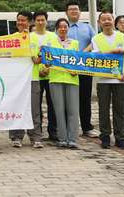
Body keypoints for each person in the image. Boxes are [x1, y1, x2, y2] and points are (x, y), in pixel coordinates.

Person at [88, 11, 124, 150]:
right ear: (99, 22)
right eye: (104, 19)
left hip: (120, 80)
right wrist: (112, 52)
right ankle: (105, 136)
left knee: (120, 109)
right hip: (103, 80)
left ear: (113, 21)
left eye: (109, 19)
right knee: (103, 109)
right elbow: (96, 57)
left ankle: (120, 137)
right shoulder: (96, 38)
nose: (107, 21)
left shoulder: (122, 36)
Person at [9, 11, 43, 147]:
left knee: (34, 109)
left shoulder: (35, 38)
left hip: (33, 78)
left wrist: (38, 59)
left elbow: (42, 57)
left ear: (29, 22)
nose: (20, 23)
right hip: (16, 80)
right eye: (18, 20)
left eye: (23, 20)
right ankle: (16, 137)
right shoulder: (11, 38)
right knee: (16, 108)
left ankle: (36, 137)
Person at [65, 1, 99, 138]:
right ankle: (69, 127)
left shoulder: (88, 27)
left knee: (85, 98)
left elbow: (95, 41)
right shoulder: (62, 27)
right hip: (67, 68)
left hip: (85, 67)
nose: (74, 11)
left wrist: (85, 52)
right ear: (66, 12)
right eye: (71, 9)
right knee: (68, 98)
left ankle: (87, 127)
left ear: (80, 12)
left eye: (76, 9)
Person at [45, 18, 80, 149]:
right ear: (56, 29)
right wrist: (46, 65)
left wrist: (75, 70)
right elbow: (46, 62)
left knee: (73, 110)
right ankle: (62, 138)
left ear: (68, 28)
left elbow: (79, 61)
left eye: (65, 27)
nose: (63, 29)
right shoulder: (50, 43)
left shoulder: (75, 43)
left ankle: (72, 139)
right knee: (59, 110)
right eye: (60, 27)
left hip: (72, 79)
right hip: (56, 79)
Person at [32, 11, 59, 144]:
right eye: (38, 20)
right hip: (35, 76)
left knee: (52, 105)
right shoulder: (30, 37)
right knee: (36, 106)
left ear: (46, 21)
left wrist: (47, 68)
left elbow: (56, 54)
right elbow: (31, 56)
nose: (40, 22)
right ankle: (37, 133)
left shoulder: (53, 36)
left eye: (43, 20)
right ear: (34, 21)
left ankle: (53, 131)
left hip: (51, 75)